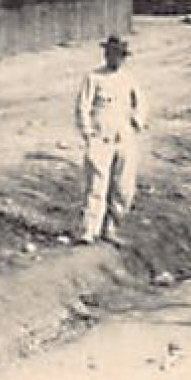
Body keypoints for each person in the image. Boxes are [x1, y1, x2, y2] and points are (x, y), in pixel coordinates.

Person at [74, 35, 147, 246]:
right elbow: (82, 106)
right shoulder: (93, 78)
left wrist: (137, 121)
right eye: (111, 54)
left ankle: (111, 228)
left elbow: (141, 104)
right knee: (97, 184)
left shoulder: (129, 79)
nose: (115, 59)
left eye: (120, 55)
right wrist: (87, 131)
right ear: (106, 54)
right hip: (101, 136)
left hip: (124, 136)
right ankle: (89, 230)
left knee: (124, 187)